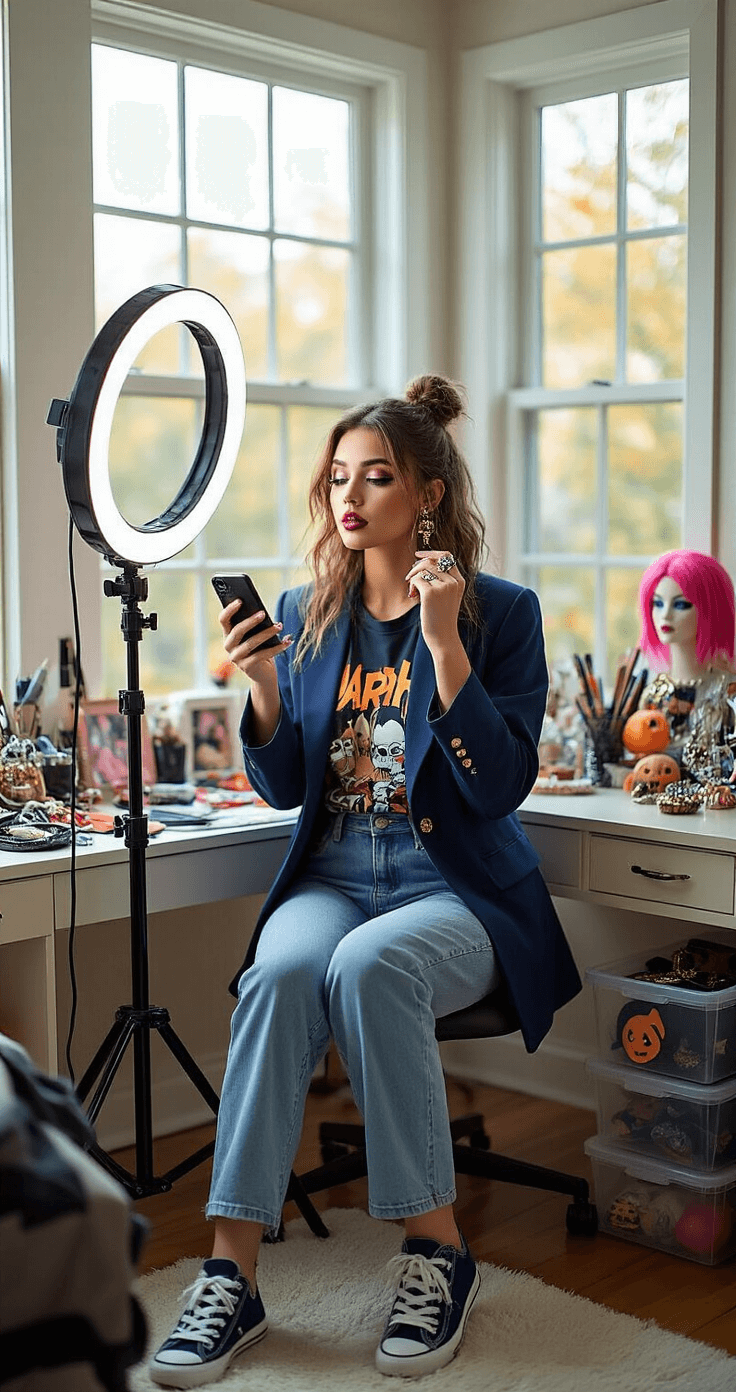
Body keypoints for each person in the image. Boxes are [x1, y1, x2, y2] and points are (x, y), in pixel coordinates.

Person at [149, 375, 582, 1388]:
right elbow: (285, 784)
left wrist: (441, 647)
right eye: (338, 477)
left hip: (455, 890)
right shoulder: (308, 612)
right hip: (335, 876)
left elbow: (503, 782)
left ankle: (437, 1253)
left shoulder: (501, 615)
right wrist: (262, 688)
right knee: (279, 976)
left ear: (426, 494)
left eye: (376, 476)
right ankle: (230, 1275)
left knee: (370, 969)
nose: (350, 496)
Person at [637, 549, 736, 777]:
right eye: (657, 603)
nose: (665, 615)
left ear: (710, 609)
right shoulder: (654, 694)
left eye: (681, 605)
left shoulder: (728, 692)